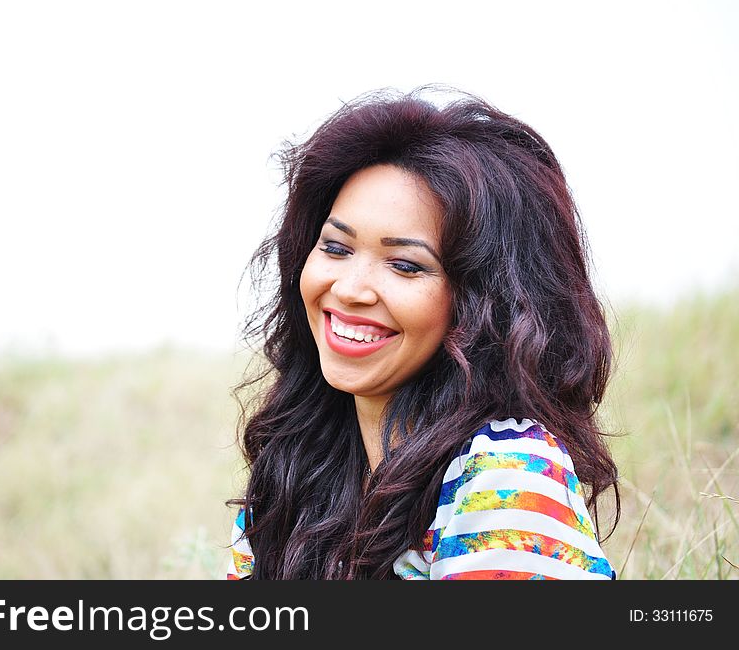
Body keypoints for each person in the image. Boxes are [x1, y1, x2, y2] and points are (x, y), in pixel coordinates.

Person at [226, 87, 620, 580]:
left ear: (483, 303)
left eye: (406, 265)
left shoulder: (504, 472)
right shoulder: (290, 473)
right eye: (336, 247)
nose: (349, 289)